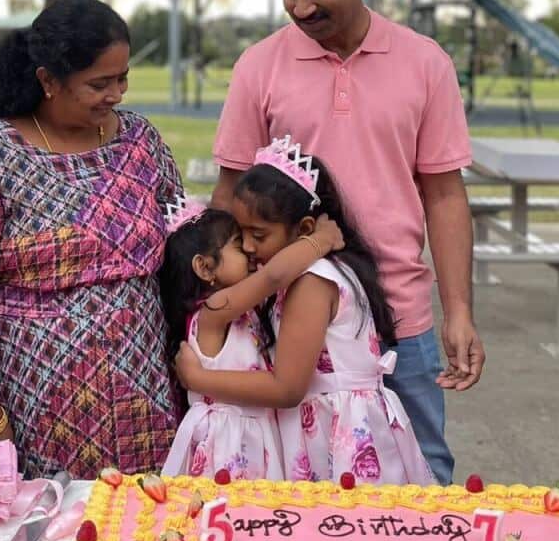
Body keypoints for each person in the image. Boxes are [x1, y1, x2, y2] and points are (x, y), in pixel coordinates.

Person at [210, 0, 483, 484]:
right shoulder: (259, 66)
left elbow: (444, 196)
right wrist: (219, 297)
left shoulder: (425, 62)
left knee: (422, 477)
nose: (301, 6)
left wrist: (458, 312)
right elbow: (231, 192)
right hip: (292, 319)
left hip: (399, 317)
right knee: (300, 480)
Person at [0, 0, 181, 479]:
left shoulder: (139, 142)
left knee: (143, 525)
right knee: (57, 537)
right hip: (39, 400)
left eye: (122, 78)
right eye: (98, 83)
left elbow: (185, 238)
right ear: (48, 80)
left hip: (147, 389)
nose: (117, 94)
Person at [177, 141, 436, 485]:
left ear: (303, 229)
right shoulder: (307, 276)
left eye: (258, 234)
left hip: (338, 438)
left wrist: (197, 380)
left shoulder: (311, 283)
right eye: (241, 236)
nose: (250, 247)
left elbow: (287, 388)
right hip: (334, 426)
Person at [157, 193, 345, 481]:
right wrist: (321, 241)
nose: (248, 249)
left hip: (257, 435)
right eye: (237, 247)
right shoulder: (213, 311)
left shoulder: (244, 311)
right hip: (227, 443)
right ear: (205, 267)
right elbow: (273, 277)